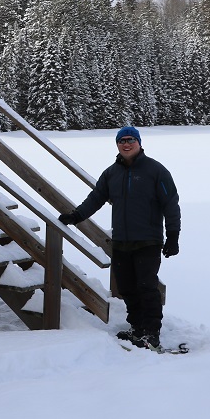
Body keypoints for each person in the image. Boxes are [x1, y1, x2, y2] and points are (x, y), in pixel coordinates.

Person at [59, 126, 180, 349]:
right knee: (127, 288)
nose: (126, 144)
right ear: (117, 144)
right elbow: (95, 198)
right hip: (122, 242)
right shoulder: (111, 173)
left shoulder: (156, 171)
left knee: (147, 286)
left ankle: (151, 333)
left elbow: (170, 203)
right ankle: (137, 329)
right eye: (122, 140)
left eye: (131, 140)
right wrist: (76, 216)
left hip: (148, 240)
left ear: (139, 143)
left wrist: (173, 235)